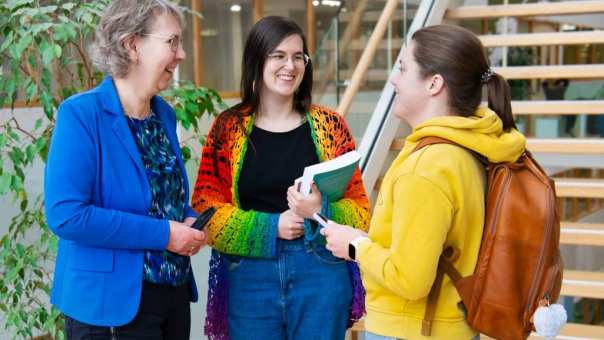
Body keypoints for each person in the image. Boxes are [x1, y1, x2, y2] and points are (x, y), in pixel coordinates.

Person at [320, 25, 526, 340]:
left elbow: (411, 280)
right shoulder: (469, 148)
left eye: (403, 68)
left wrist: (355, 245)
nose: (393, 79)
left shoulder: (427, 167)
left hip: (411, 330)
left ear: (433, 83)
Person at [191, 16, 370, 340]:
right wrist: (271, 227)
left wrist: (319, 209)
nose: (290, 65)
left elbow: (361, 212)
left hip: (321, 272)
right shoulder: (227, 128)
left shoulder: (330, 125)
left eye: (298, 56)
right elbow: (205, 210)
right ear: (257, 60)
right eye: (279, 55)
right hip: (250, 275)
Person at [44, 1, 206, 339]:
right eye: (172, 42)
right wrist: (165, 234)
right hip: (109, 306)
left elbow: (161, 199)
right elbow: (67, 216)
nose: (182, 55)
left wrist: (187, 217)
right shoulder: (80, 114)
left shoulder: (164, 115)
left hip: (172, 295)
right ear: (132, 45)